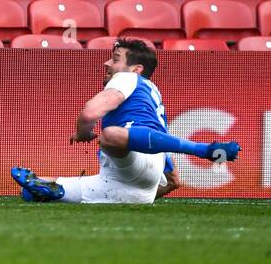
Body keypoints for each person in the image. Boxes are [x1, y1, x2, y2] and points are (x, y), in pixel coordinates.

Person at [12, 38, 240, 204]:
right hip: (135, 188)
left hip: (132, 166)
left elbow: (89, 114)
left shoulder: (127, 78)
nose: (107, 63)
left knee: (109, 135)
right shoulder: (154, 96)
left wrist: (82, 132)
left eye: (115, 59)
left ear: (136, 69)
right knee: (32, 192)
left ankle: (204, 149)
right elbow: (173, 180)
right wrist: (146, 195)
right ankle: (48, 189)